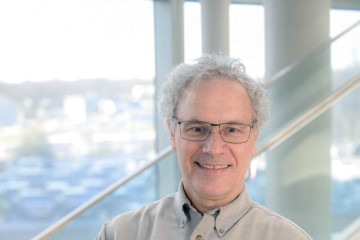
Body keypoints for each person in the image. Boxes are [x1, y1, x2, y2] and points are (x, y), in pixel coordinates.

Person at [95, 55, 312, 240]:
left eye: (232, 130)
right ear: (172, 133)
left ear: (254, 138)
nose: (214, 148)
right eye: (197, 129)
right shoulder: (120, 234)